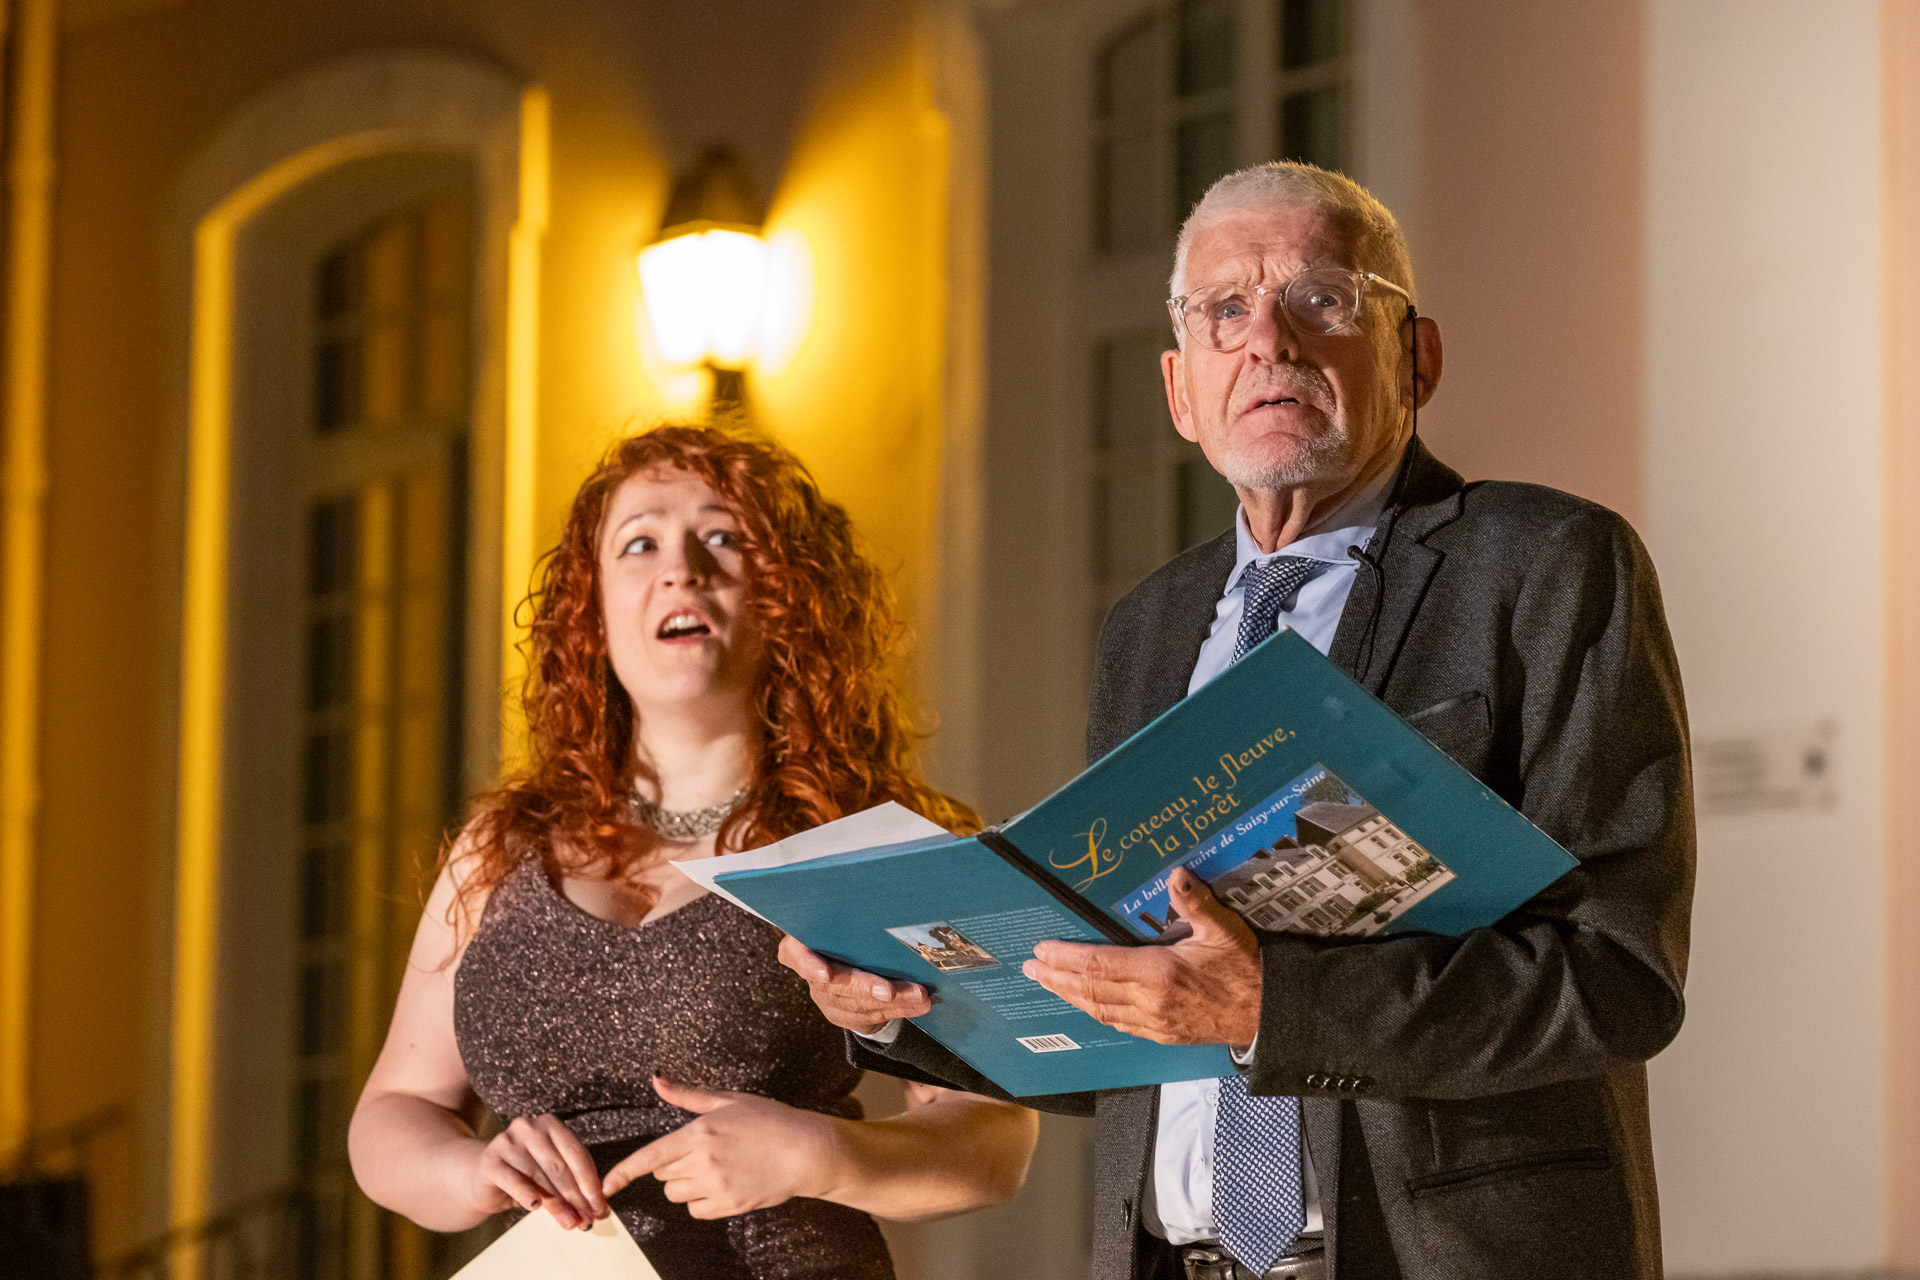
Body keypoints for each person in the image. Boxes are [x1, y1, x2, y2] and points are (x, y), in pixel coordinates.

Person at [783, 161, 1693, 1280]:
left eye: (1321, 298)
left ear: (1419, 356)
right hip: (1174, 1257)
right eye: (1224, 309)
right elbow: (1135, 1014)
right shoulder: (1147, 627)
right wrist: (900, 1007)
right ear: (1181, 390)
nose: (1269, 338)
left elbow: (1616, 974)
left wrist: (1275, 1005)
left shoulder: (1543, 563)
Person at [349, 426, 1038, 1280]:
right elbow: (394, 1111)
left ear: (786, 597)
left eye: (722, 537)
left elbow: (995, 1143)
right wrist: (470, 1170)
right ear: (592, 614)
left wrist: (822, 1156)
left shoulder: (865, 841)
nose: (681, 569)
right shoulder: (502, 846)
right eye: (639, 543)